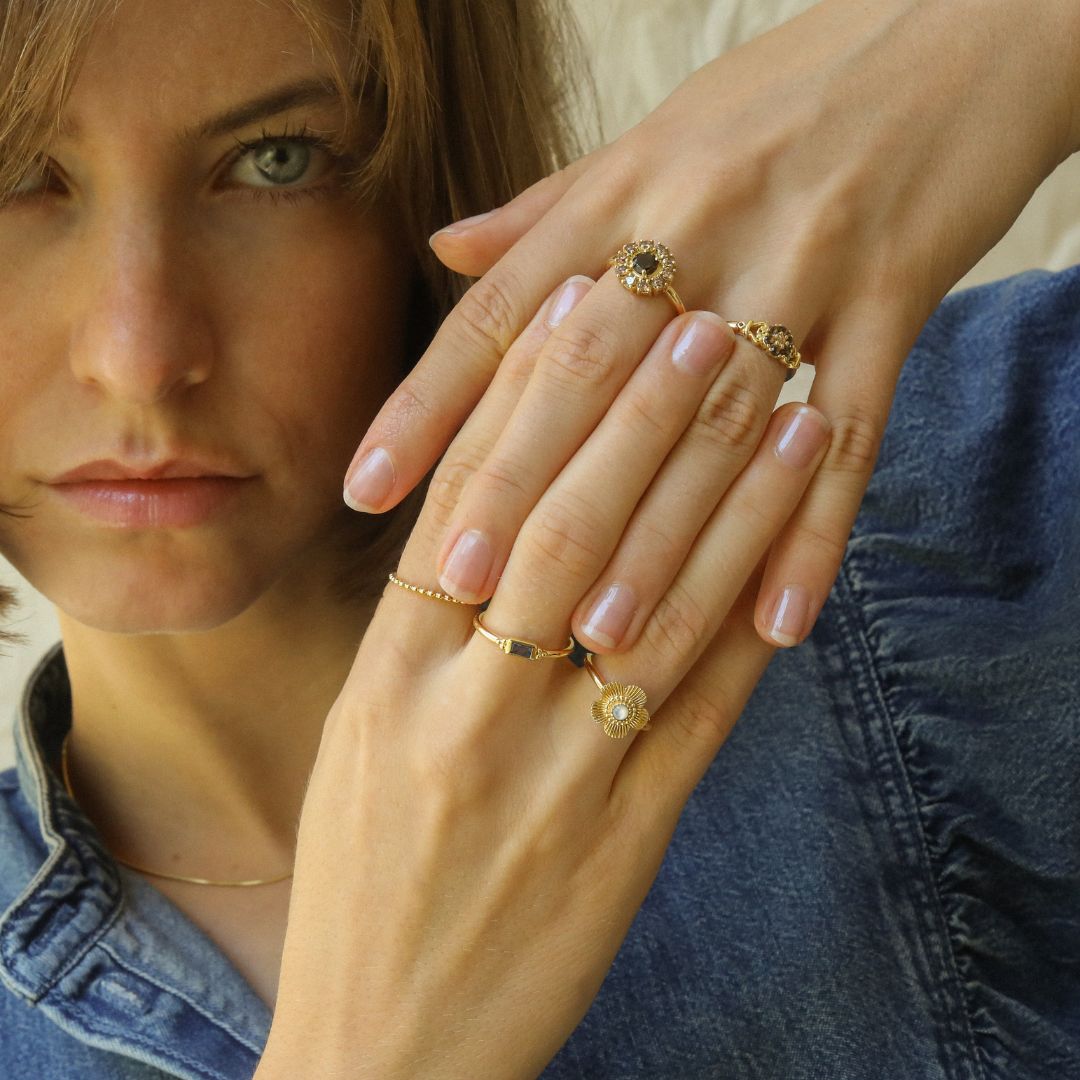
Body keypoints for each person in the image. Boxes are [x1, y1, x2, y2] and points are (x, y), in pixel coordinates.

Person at [0, 1, 1076, 1078]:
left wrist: (946, 53)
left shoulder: (917, 537)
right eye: (13, 175)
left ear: (435, 180)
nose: (139, 358)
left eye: (277, 159)